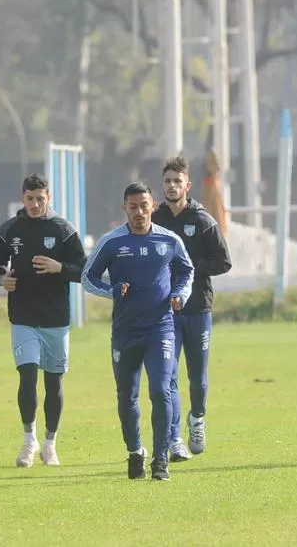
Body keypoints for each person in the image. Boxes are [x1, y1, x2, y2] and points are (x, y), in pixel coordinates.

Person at [82, 182, 194, 481]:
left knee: (160, 389)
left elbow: (187, 270)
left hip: (161, 328)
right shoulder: (112, 242)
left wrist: (181, 293)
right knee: (126, 395)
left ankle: (160, 458)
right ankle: (135, 452)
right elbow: (88, 277)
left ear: (152, 206)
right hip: (125, 331)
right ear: (125, 209)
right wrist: (112, 291)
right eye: (133, 207)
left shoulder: (169, 240)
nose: (139, 212)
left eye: (144, 206)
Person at [0, 174, 86, 468]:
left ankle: (50, 443)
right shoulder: (9, 230)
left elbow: (83, 269)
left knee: (53, 381)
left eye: (39, 199)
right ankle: (29, 440)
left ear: (49, 198)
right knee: (28, 374)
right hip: (23, 317)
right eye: (29, 199)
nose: (34, 204)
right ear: (23, 198)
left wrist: (60, 267)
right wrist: (1, 277)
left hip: (55, 318)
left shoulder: (63, 230)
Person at [151, 156, 232, 461]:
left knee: (197, 377)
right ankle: (174, 439)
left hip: (198, 310)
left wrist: (189, 268)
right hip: (165, 313)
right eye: (167, 181)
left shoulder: (202, 221)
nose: (172, 186)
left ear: (188, 185)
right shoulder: (155, 220)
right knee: (167, 376)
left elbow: (224, 262)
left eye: (177, 181)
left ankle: (196, 419)